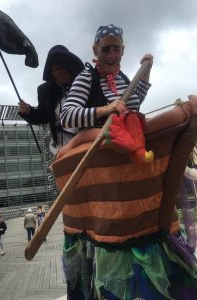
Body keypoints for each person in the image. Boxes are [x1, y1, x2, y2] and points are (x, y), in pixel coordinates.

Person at [59, 25, 197, 299]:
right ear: (95, 51)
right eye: (106, 48)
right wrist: (105, 109)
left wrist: (145, 72)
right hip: (100, 151)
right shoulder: (87, 76)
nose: (111, 54)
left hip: (128, 146)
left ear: (123, 51)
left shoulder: (120, 76)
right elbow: (68, 116)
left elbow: (133, 101)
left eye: (116, 49)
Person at [19, 45, 85, 156]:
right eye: (53, 70)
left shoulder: (84, 83)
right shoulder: (45, 90)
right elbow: (43, 116)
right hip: (60, 149)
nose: (57, 73)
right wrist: (28, 111)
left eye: (59, 68)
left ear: (68, 66)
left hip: (84, 143)